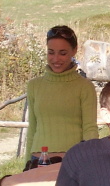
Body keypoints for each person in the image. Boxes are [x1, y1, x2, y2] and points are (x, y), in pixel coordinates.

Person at [24, 25, 98, 165]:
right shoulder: (34, 85)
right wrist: (26, 165)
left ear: (74, 51)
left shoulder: (85, 87)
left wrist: (92, 163)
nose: (56, 59)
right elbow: (32, 128)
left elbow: (90, 129)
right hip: (38, 161)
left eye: (63, 53)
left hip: (72, 162)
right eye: (51, 52)